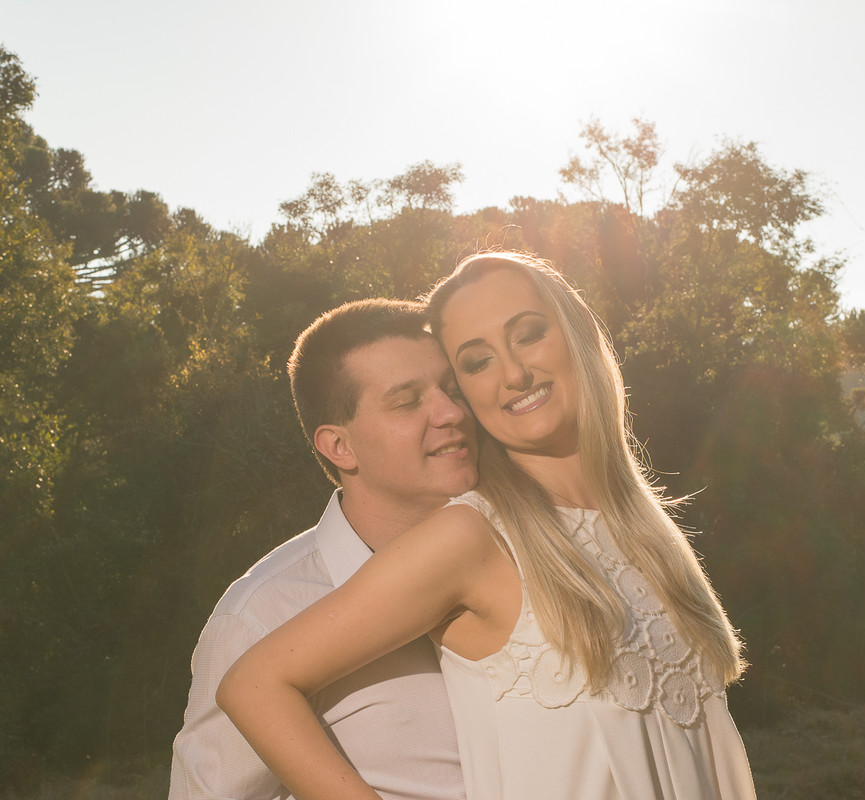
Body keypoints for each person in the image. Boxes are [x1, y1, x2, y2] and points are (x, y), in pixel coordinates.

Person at [218, 252, 757, 799]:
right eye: (476, 363)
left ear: (578, 335)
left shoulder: (644, 527)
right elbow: (254, 685)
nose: (515, 373)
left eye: (527, 334)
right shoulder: (471, 536)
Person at [170, 299, 476, 800]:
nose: (450, 412)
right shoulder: (261, 616)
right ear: (340, 447)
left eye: (452, 388)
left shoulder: (528, 557)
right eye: (406, 401)